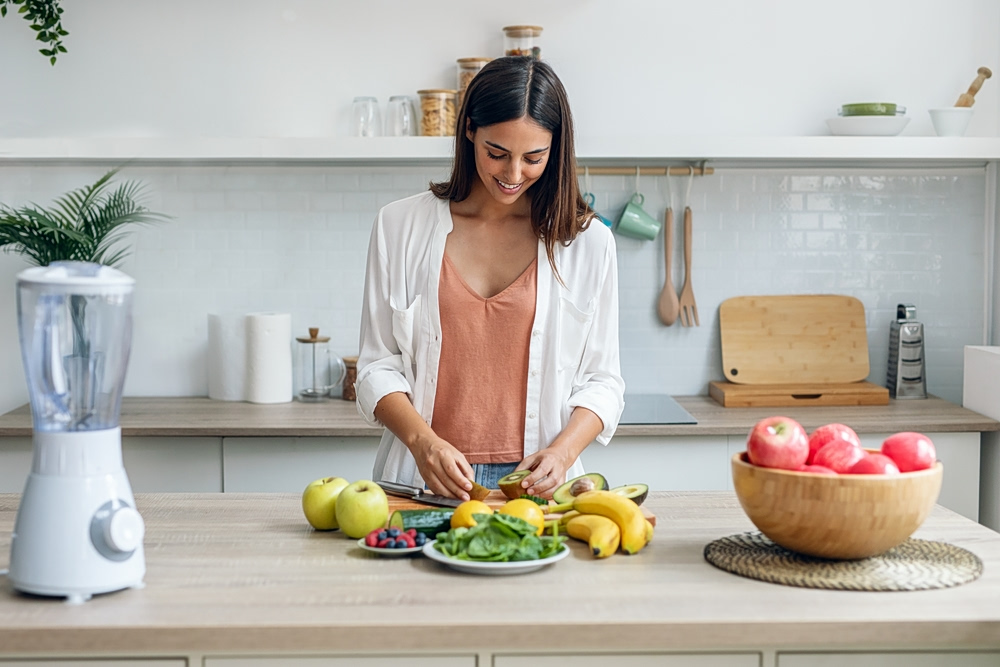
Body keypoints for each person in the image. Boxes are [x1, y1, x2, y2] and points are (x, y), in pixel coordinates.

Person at [355, 56, 625, 501]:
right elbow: (377, 366)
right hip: (422, 479)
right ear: (469, 132)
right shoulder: (398, 226)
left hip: (536, 489)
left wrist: (561, 453)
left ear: (555, 150)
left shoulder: (587, 242)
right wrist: (424, 445)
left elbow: (603, 381)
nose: (513, 174)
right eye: (496, 153)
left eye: (533, 157)